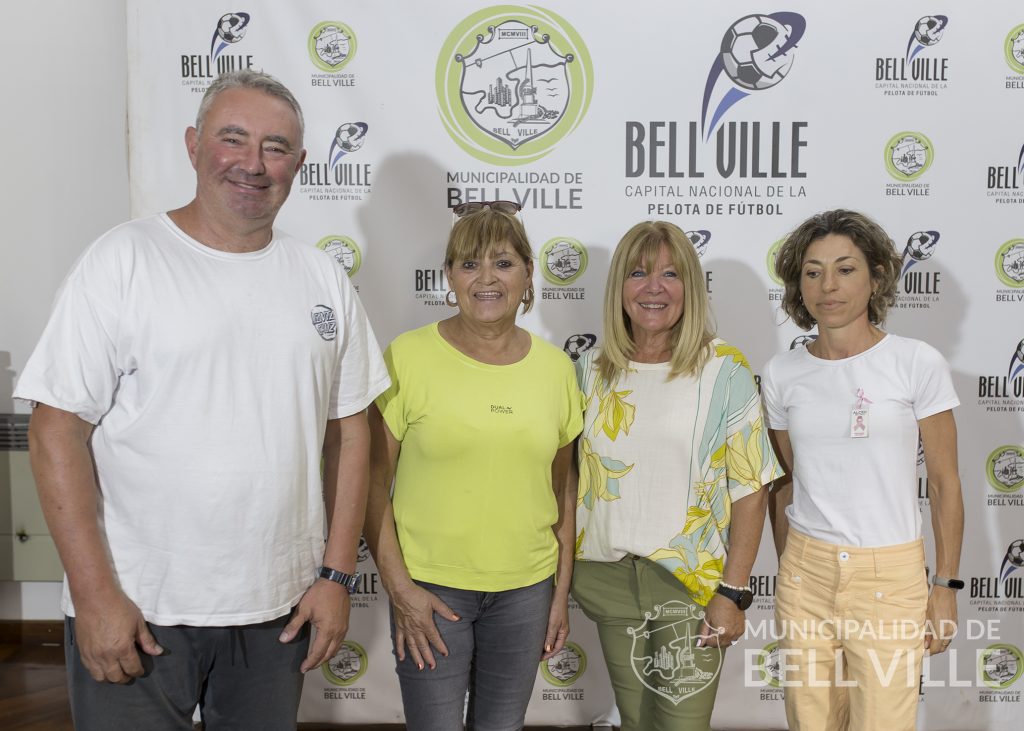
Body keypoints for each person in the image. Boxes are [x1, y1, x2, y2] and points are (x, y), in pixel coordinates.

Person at [15, 70, 389, 730]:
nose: (253, 163)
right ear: (193, 145)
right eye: (233, 139)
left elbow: (351, 430)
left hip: (279, 610)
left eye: (276, 147)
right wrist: (96, 594)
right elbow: (54, 431)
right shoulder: (122, 261)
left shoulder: (321, 277)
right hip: (137, 606)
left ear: (299, 164)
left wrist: (335, 577)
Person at [363, 201, 582, 731]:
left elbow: (564, 492)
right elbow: (370, 485)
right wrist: (400, 590)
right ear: (449, 277)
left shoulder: (555, 369)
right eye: (469, 264)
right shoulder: (407, 357)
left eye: (503, 263)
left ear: (529, 274)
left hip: (526, 593)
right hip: (430, 590)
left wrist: (559, 594)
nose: (486, 279)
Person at [571, 221, 781, 730]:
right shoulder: (588, 370)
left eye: (670, 273)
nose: (653, 287)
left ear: (690, 285)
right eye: (638, 272)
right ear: (619, 285)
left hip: (693, 586)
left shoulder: (723, 369)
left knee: (682, 725)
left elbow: (751, 489)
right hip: (608, 580)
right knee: (636, 721)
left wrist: (732, 592)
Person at [761, 209, 964, 731]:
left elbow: (944, 484)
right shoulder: (782, 372)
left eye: (845, 269)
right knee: (811, 723)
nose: (828, 286)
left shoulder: (917, 363)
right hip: (806, 573)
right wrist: (791, 567)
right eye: (812, 271)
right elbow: (786, 482)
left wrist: (945, 586)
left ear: (875, 277)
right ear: (797, 283)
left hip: (890, 576)